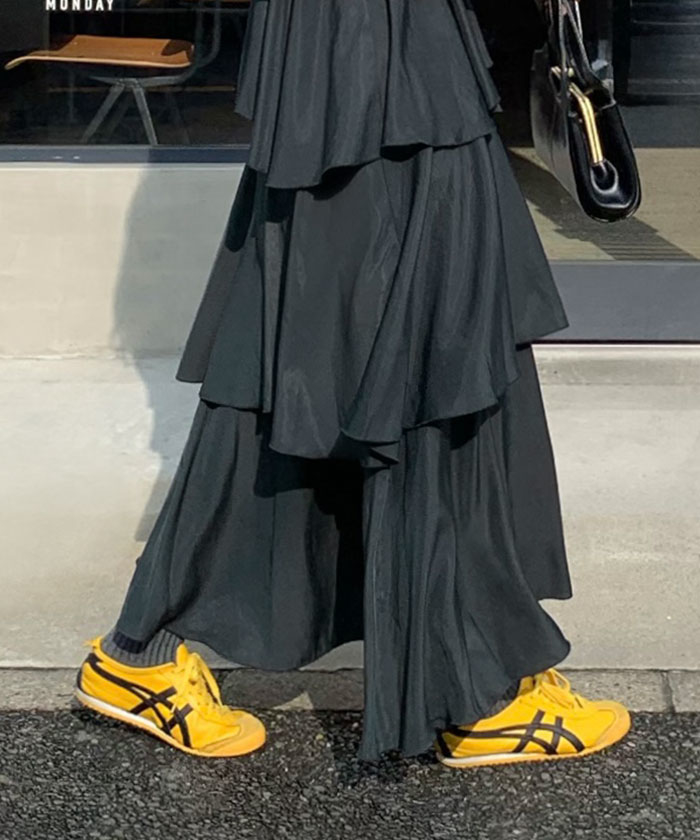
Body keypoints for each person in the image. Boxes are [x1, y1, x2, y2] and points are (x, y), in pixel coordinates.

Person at [75, 0, 631, 767]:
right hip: (368, 46)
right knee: (403, 335)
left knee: (331, 346)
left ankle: (146, 652)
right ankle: (473, 686)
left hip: (376, 48)